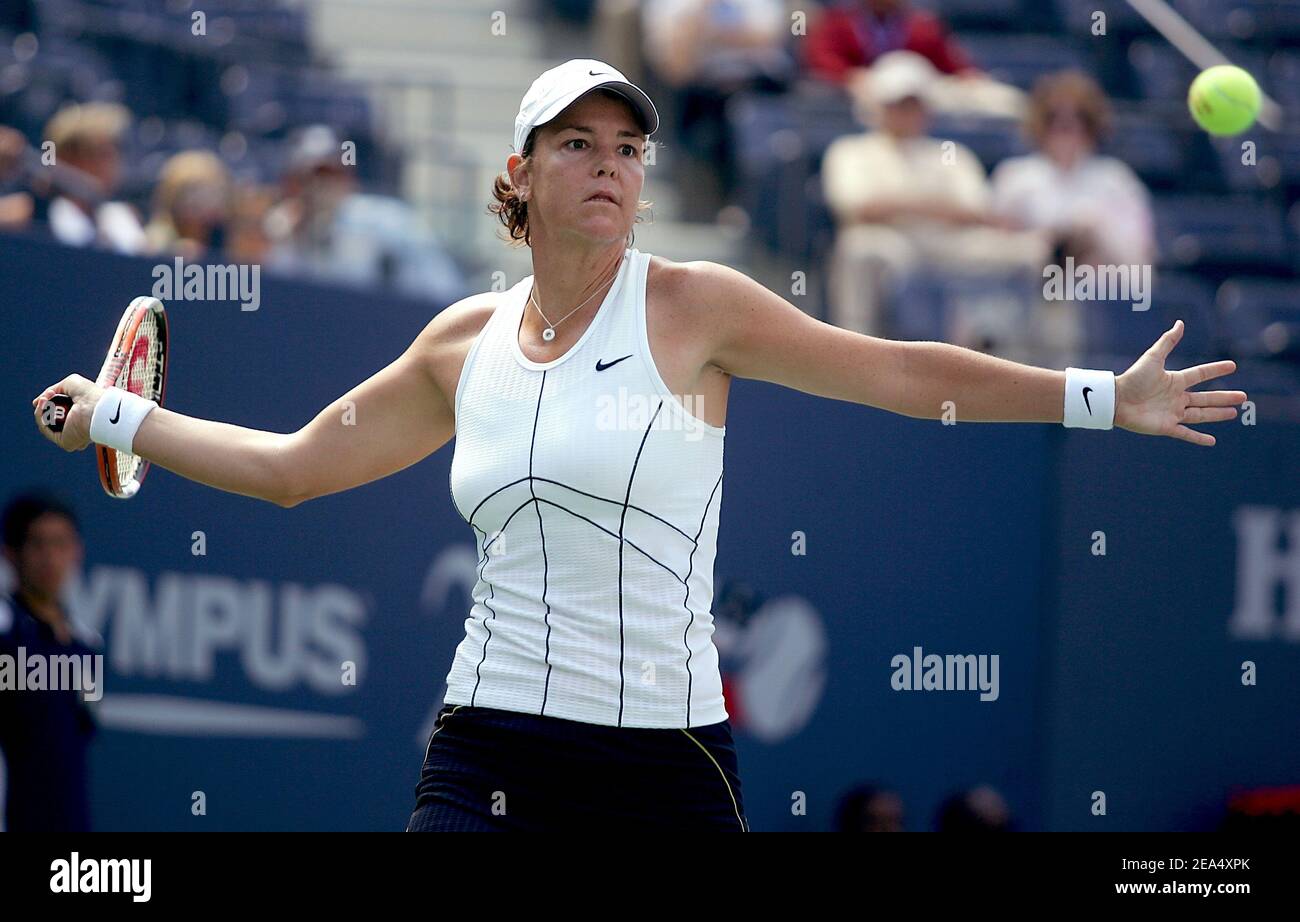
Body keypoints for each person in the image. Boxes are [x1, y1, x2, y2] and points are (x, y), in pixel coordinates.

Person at [32, 58, 1246, 831]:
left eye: (626, 149)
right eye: (577, 144)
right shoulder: (460, 341)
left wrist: (1100, 396)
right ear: (519, 174)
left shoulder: (695, 305)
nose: (608, 166)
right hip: (485, 744)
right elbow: (294, 468)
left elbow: (896, 374)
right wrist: (120, 415)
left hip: (665, 765)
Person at [821, 51, 1044, 339]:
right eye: (898, 104)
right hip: (888, 241)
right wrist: (932, 205)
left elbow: (976, 210)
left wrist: (901, 204)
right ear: (879, 107)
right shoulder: (850, 150)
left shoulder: (951, 153)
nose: (906, 113)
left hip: (946, 243)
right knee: (860, 247)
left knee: (1030, 252)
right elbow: (857, 208)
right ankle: (854, 350)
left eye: (914, 105)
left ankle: (1021, 357)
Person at [0, 491, 98, 832]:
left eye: (61, 545)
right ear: (11, 553)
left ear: (77, 552)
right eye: (38, 545)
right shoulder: (4, 635)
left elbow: (80, 732)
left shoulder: (87, 645)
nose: (50, 559)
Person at [40, 103, 147, 254]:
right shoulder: (39, 215)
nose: (112, 164)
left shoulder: (121, 217)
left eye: (114, 151)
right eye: (101, 154)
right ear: (67, 159)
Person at [144, 150, 232, 259]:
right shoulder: (155, 241)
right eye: (192, 192)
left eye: (213, 192)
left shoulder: (227, 242)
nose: (204, 201)